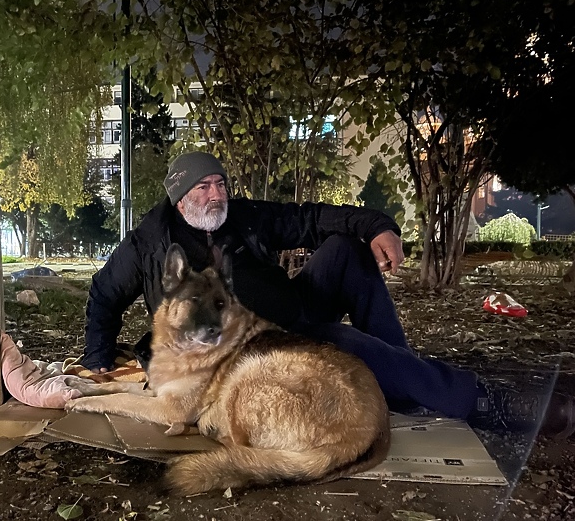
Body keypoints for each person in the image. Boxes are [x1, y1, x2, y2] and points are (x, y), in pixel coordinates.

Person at [83, 151, 574, 438]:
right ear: (180, 197)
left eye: (220, 184)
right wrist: (98, 355)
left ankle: (405, 377)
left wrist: (378, 225)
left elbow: (311, 219)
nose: (216, 195)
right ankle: (478, 399)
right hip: (233, 353)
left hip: (285, 317)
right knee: (347, 346)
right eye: (203, 188)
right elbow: (104, 294)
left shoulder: (244, 215)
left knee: (344, 248)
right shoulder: (148, 242)